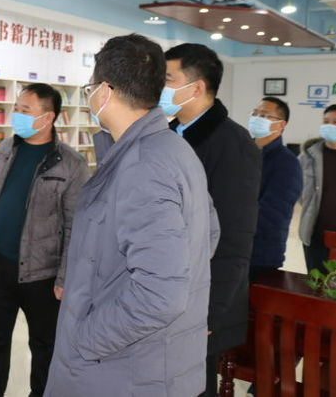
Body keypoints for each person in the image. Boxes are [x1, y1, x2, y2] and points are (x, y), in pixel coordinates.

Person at [45, 34, 218, 397]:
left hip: (121, 369)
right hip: (151, 360)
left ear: (105, 91)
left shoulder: (143, 166)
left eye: (91, 87)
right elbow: (208, 233)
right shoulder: (173, 149)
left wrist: (86, 339)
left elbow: (160, 294)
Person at [0, 83, 89, 397]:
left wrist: (66, 276)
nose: (16, 115)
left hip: (42, 274)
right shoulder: (6, 149)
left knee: (44, 345)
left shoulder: (71, 164)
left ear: (48, 117)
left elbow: (77, 227)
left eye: (25, 110)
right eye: (16, 108)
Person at [161, 43, 261, 397]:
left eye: (167, 79)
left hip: (201, 303)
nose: (159, 87)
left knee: (192, 387)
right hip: (165, 293)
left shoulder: (234, 145)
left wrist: (211, 312)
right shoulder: (168, 134)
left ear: (197, 87)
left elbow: (235, 237)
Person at [247, 97, 302, 281]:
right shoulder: (241, 152)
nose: (257, 118)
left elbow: (273, 215)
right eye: (255, 113)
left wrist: (233, 225)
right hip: (228, 248)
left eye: (264, 115)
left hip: (259, 255)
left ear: (281, 124)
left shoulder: (287, 163)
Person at [299, 103, 336, 273]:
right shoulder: (308, 156)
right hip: (316, 233)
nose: (330, 125)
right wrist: (311, 204)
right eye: (326, 121)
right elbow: (298, 189)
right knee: (317, 281)